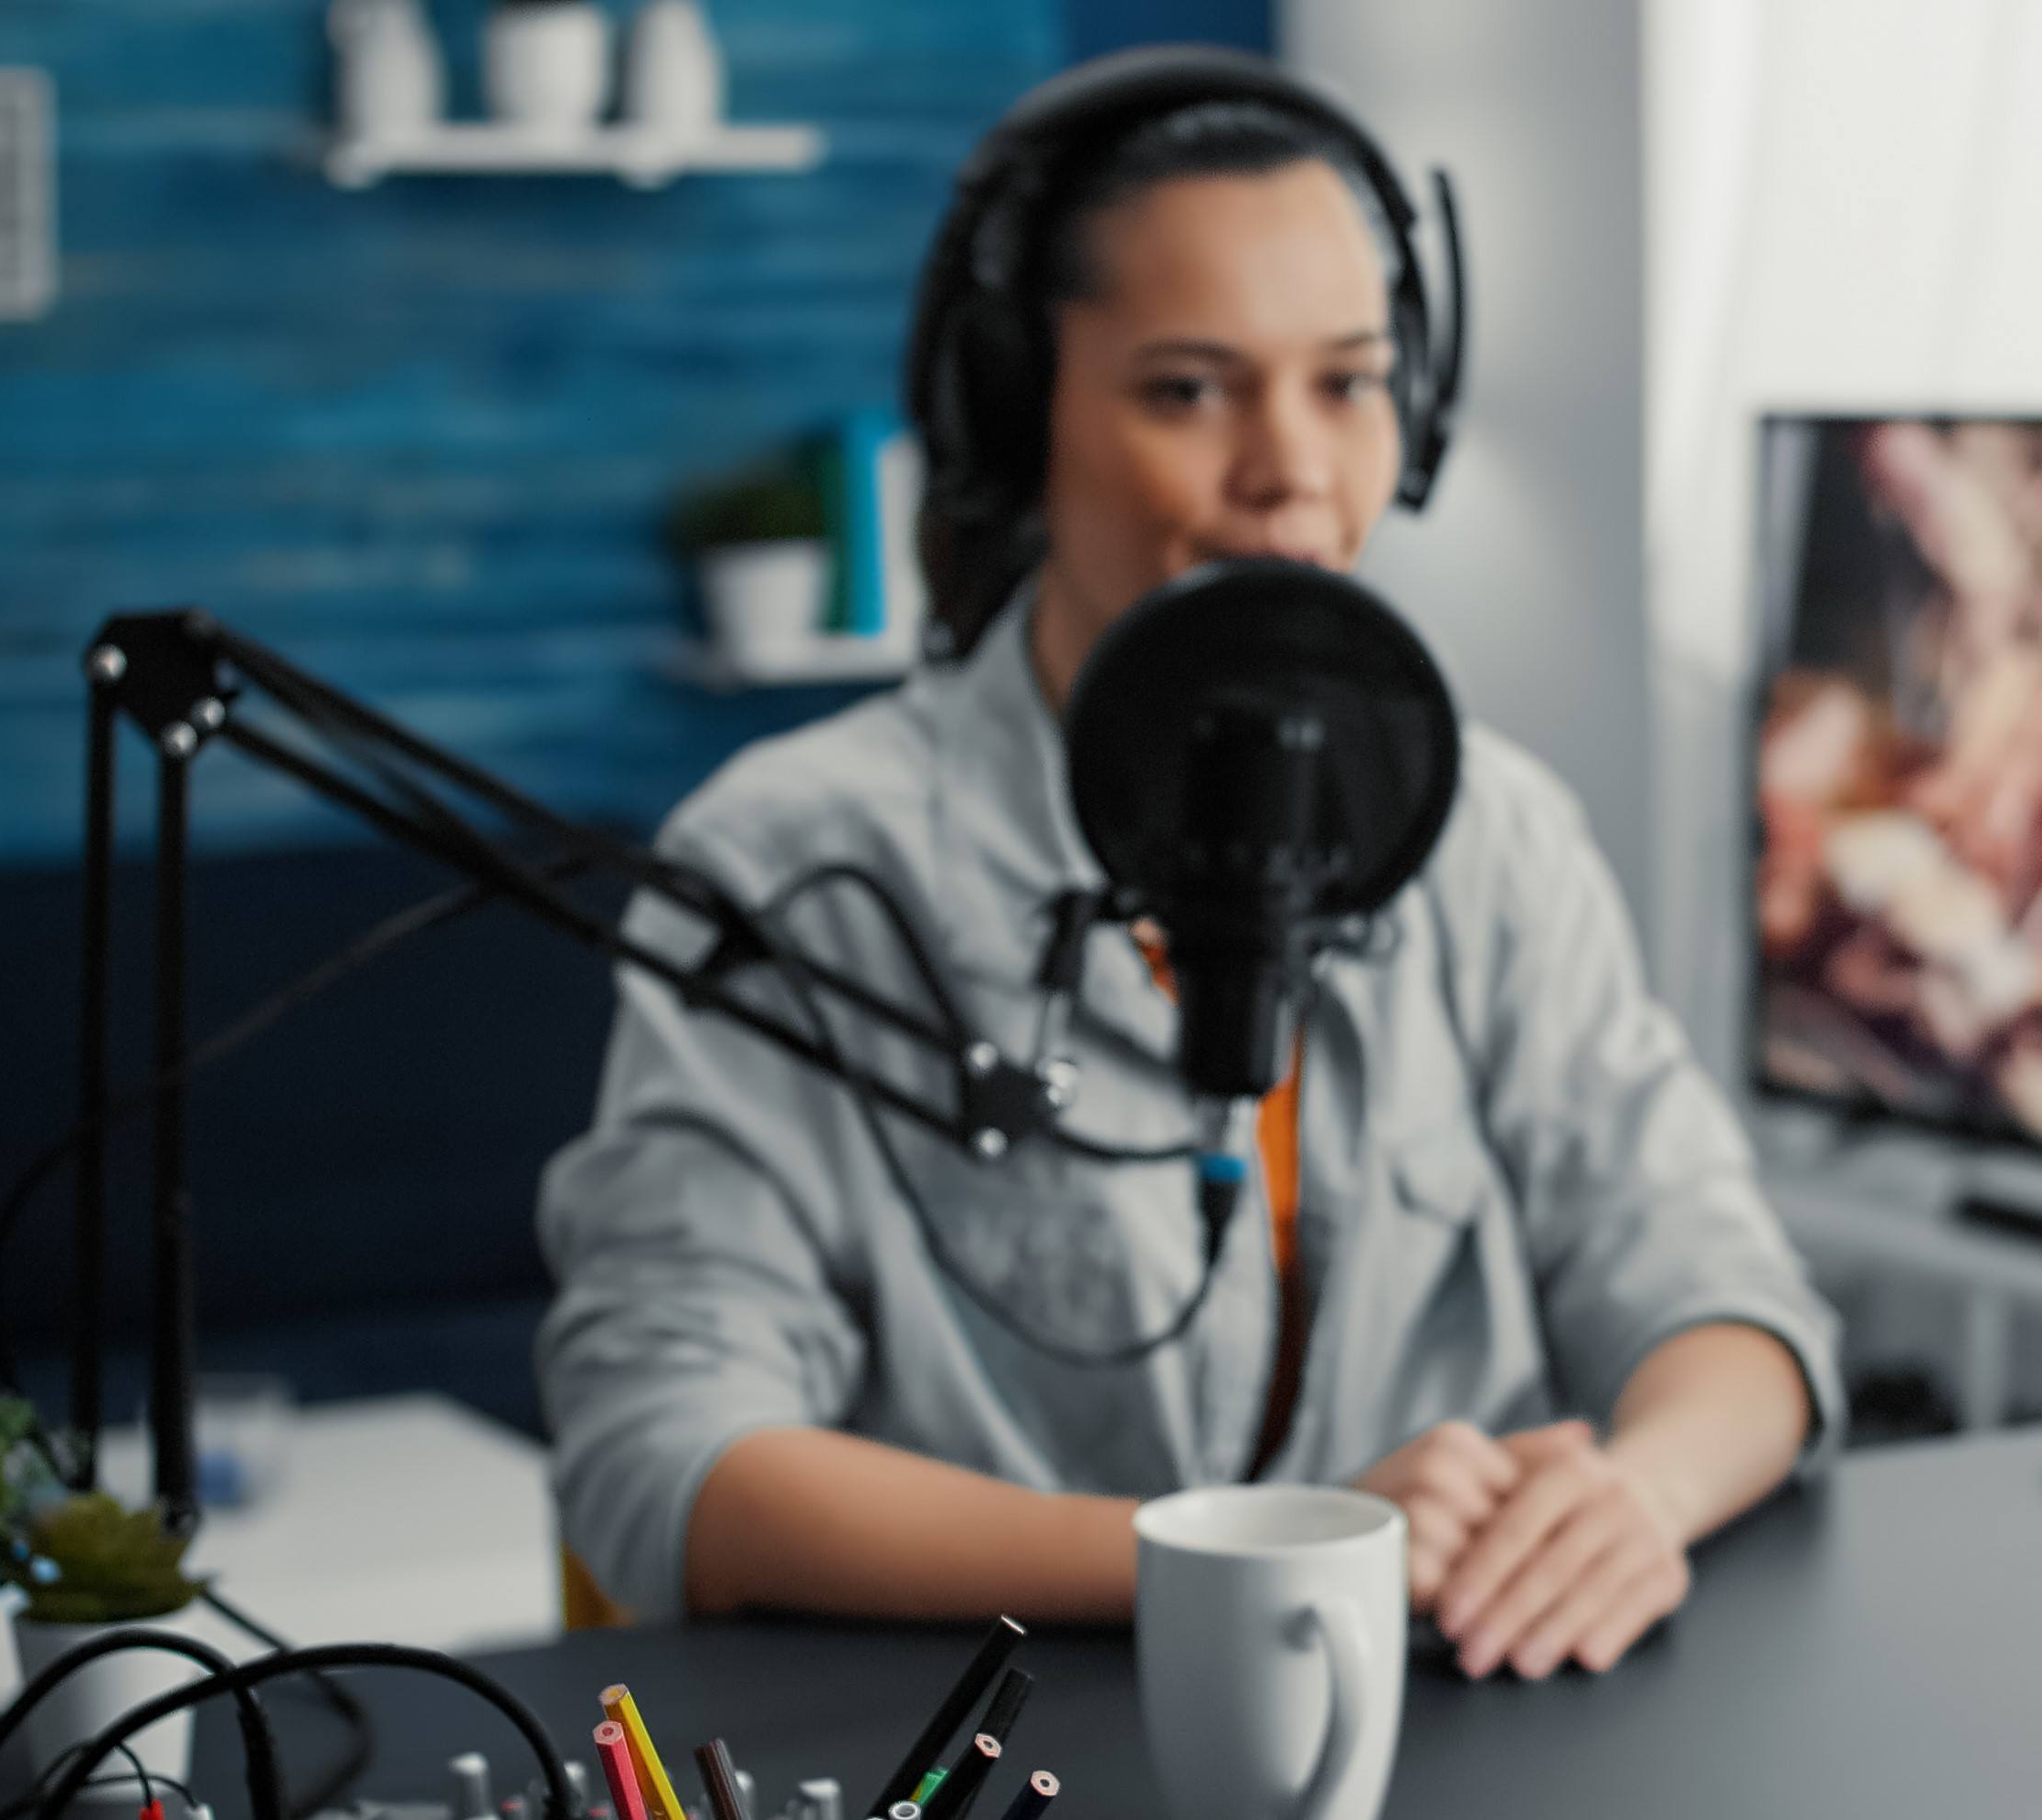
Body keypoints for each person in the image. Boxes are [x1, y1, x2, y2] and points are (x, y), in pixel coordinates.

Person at [535, 49, 1841, 1684]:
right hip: (996, 1788)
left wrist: (1634, 1499)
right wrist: (1253, 1552)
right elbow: (670, 1453)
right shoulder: (795, 857)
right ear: (1020, 428)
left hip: (1459, 1755)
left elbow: (1726, 1298)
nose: (1293, 467)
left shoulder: (1492, 836)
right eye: (1189, 390)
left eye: (1350, 381)